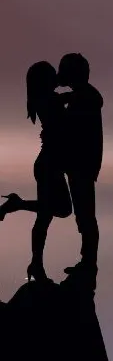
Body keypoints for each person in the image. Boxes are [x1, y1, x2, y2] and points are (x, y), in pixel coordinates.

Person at [0, 61, 72, 282]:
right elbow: (70, 99)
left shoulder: (44, 100)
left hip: (48, 164)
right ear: (44, 80)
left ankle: (36, 264)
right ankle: (18, 205)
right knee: (60, 210)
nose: (56, 78)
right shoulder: (50, 100)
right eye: (52, 75)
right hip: (49, 164)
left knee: (45, 216)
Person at [57, 53, 103, 275]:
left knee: (85, 216)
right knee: (84, 216)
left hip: (82, 166)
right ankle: (87, 262)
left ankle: (88, 263)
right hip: (82, 165)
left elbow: (71, 125)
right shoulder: (83, 96)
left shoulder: (85, 98)